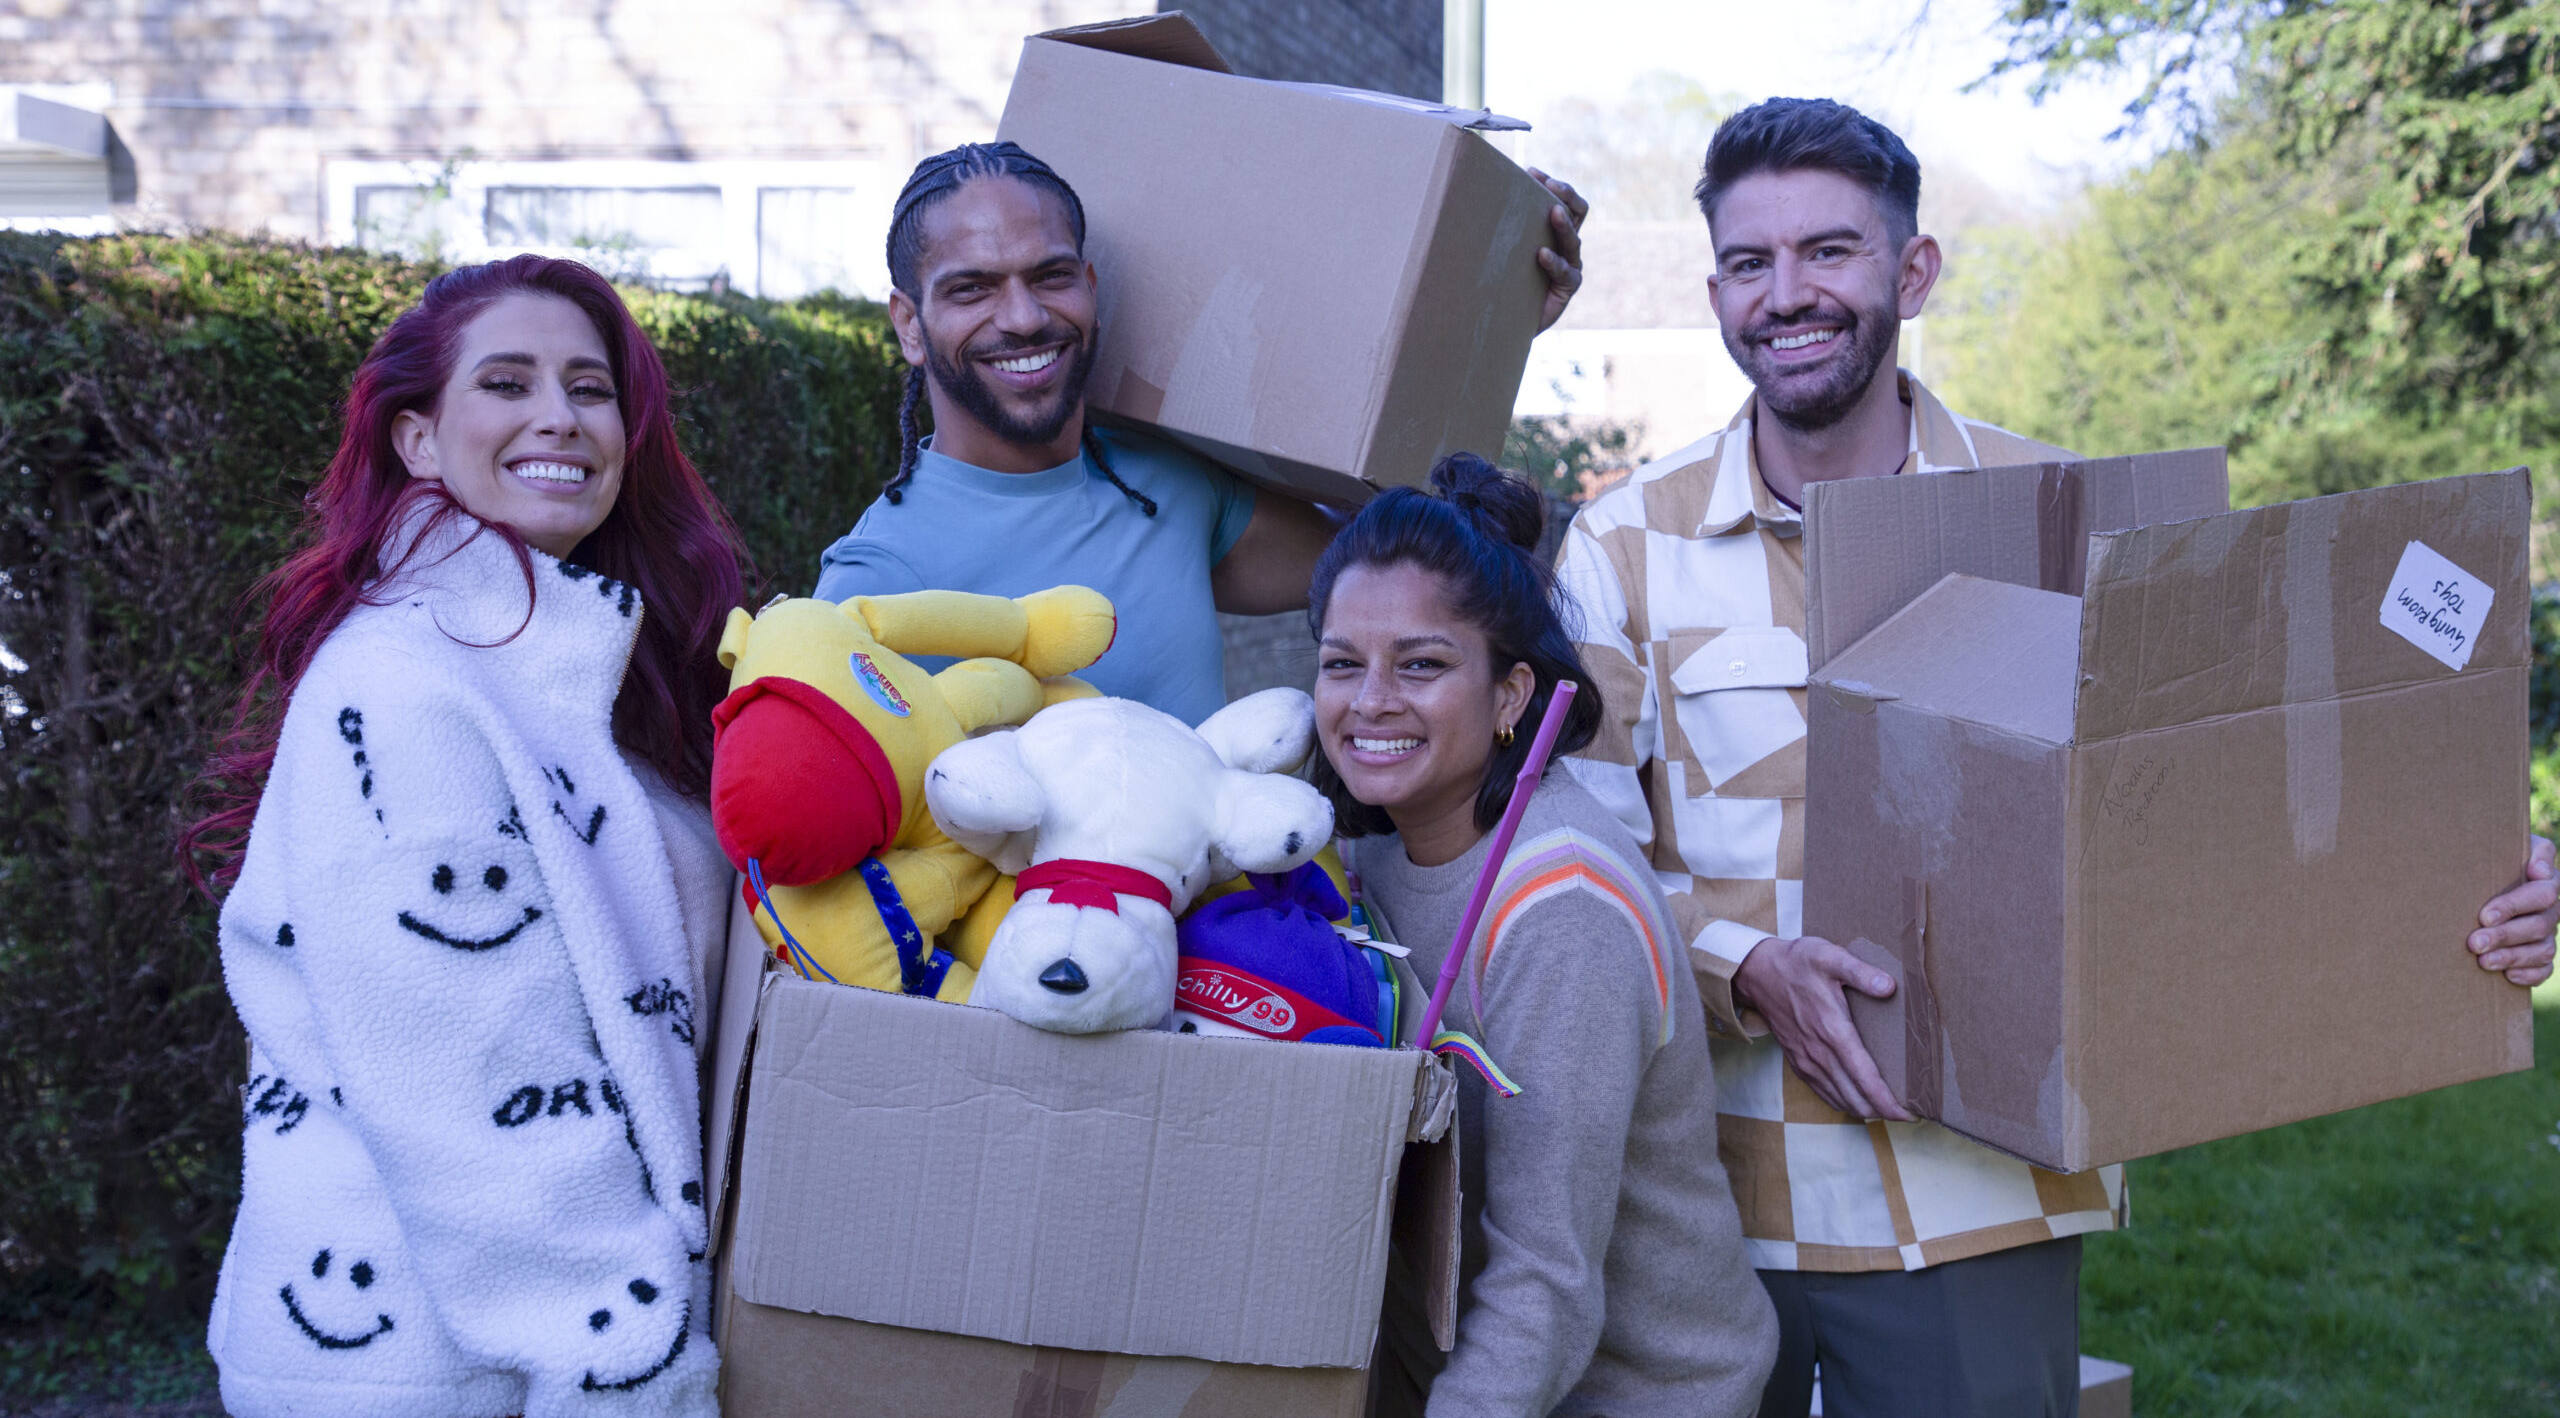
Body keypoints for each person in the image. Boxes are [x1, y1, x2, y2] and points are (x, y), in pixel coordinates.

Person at [1555, 96, 2560, 1418]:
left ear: (1912, 272)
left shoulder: (2073, 520)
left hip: (1987, 1193)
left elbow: (2233, 793)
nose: (1788, 293)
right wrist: (1747, 967)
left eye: (1830, 253)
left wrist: (2467, 872)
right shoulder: (1619, 548)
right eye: (1752, 262)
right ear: (1716, 292)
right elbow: (1575, 863)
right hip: (1706, 1201)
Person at [182, 256, 743, 1418]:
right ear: (419, 442)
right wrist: (626, 1370)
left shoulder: (564, 665)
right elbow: (478, 1081)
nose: (560, 416)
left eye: (591, 389)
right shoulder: (404, 685)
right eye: (507, 381)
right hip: (448, 1368)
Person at [811, 141, 1588, 724]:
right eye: (971, 289)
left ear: (1088, 287)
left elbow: (1403, 554)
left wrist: (1495, 319)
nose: (1022, 318)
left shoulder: (1168, 483)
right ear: (909, 325)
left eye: (1049, 276)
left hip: (1220, 934)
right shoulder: (877, 579)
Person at [1315, 455, 1778, 1418]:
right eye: (1342, 663)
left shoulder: (1561, 909)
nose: (1370, 701)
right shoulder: (1371, 861)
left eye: (1423, 664)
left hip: (1633, 1396)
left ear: (1513, 695)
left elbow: (1547, 1282)